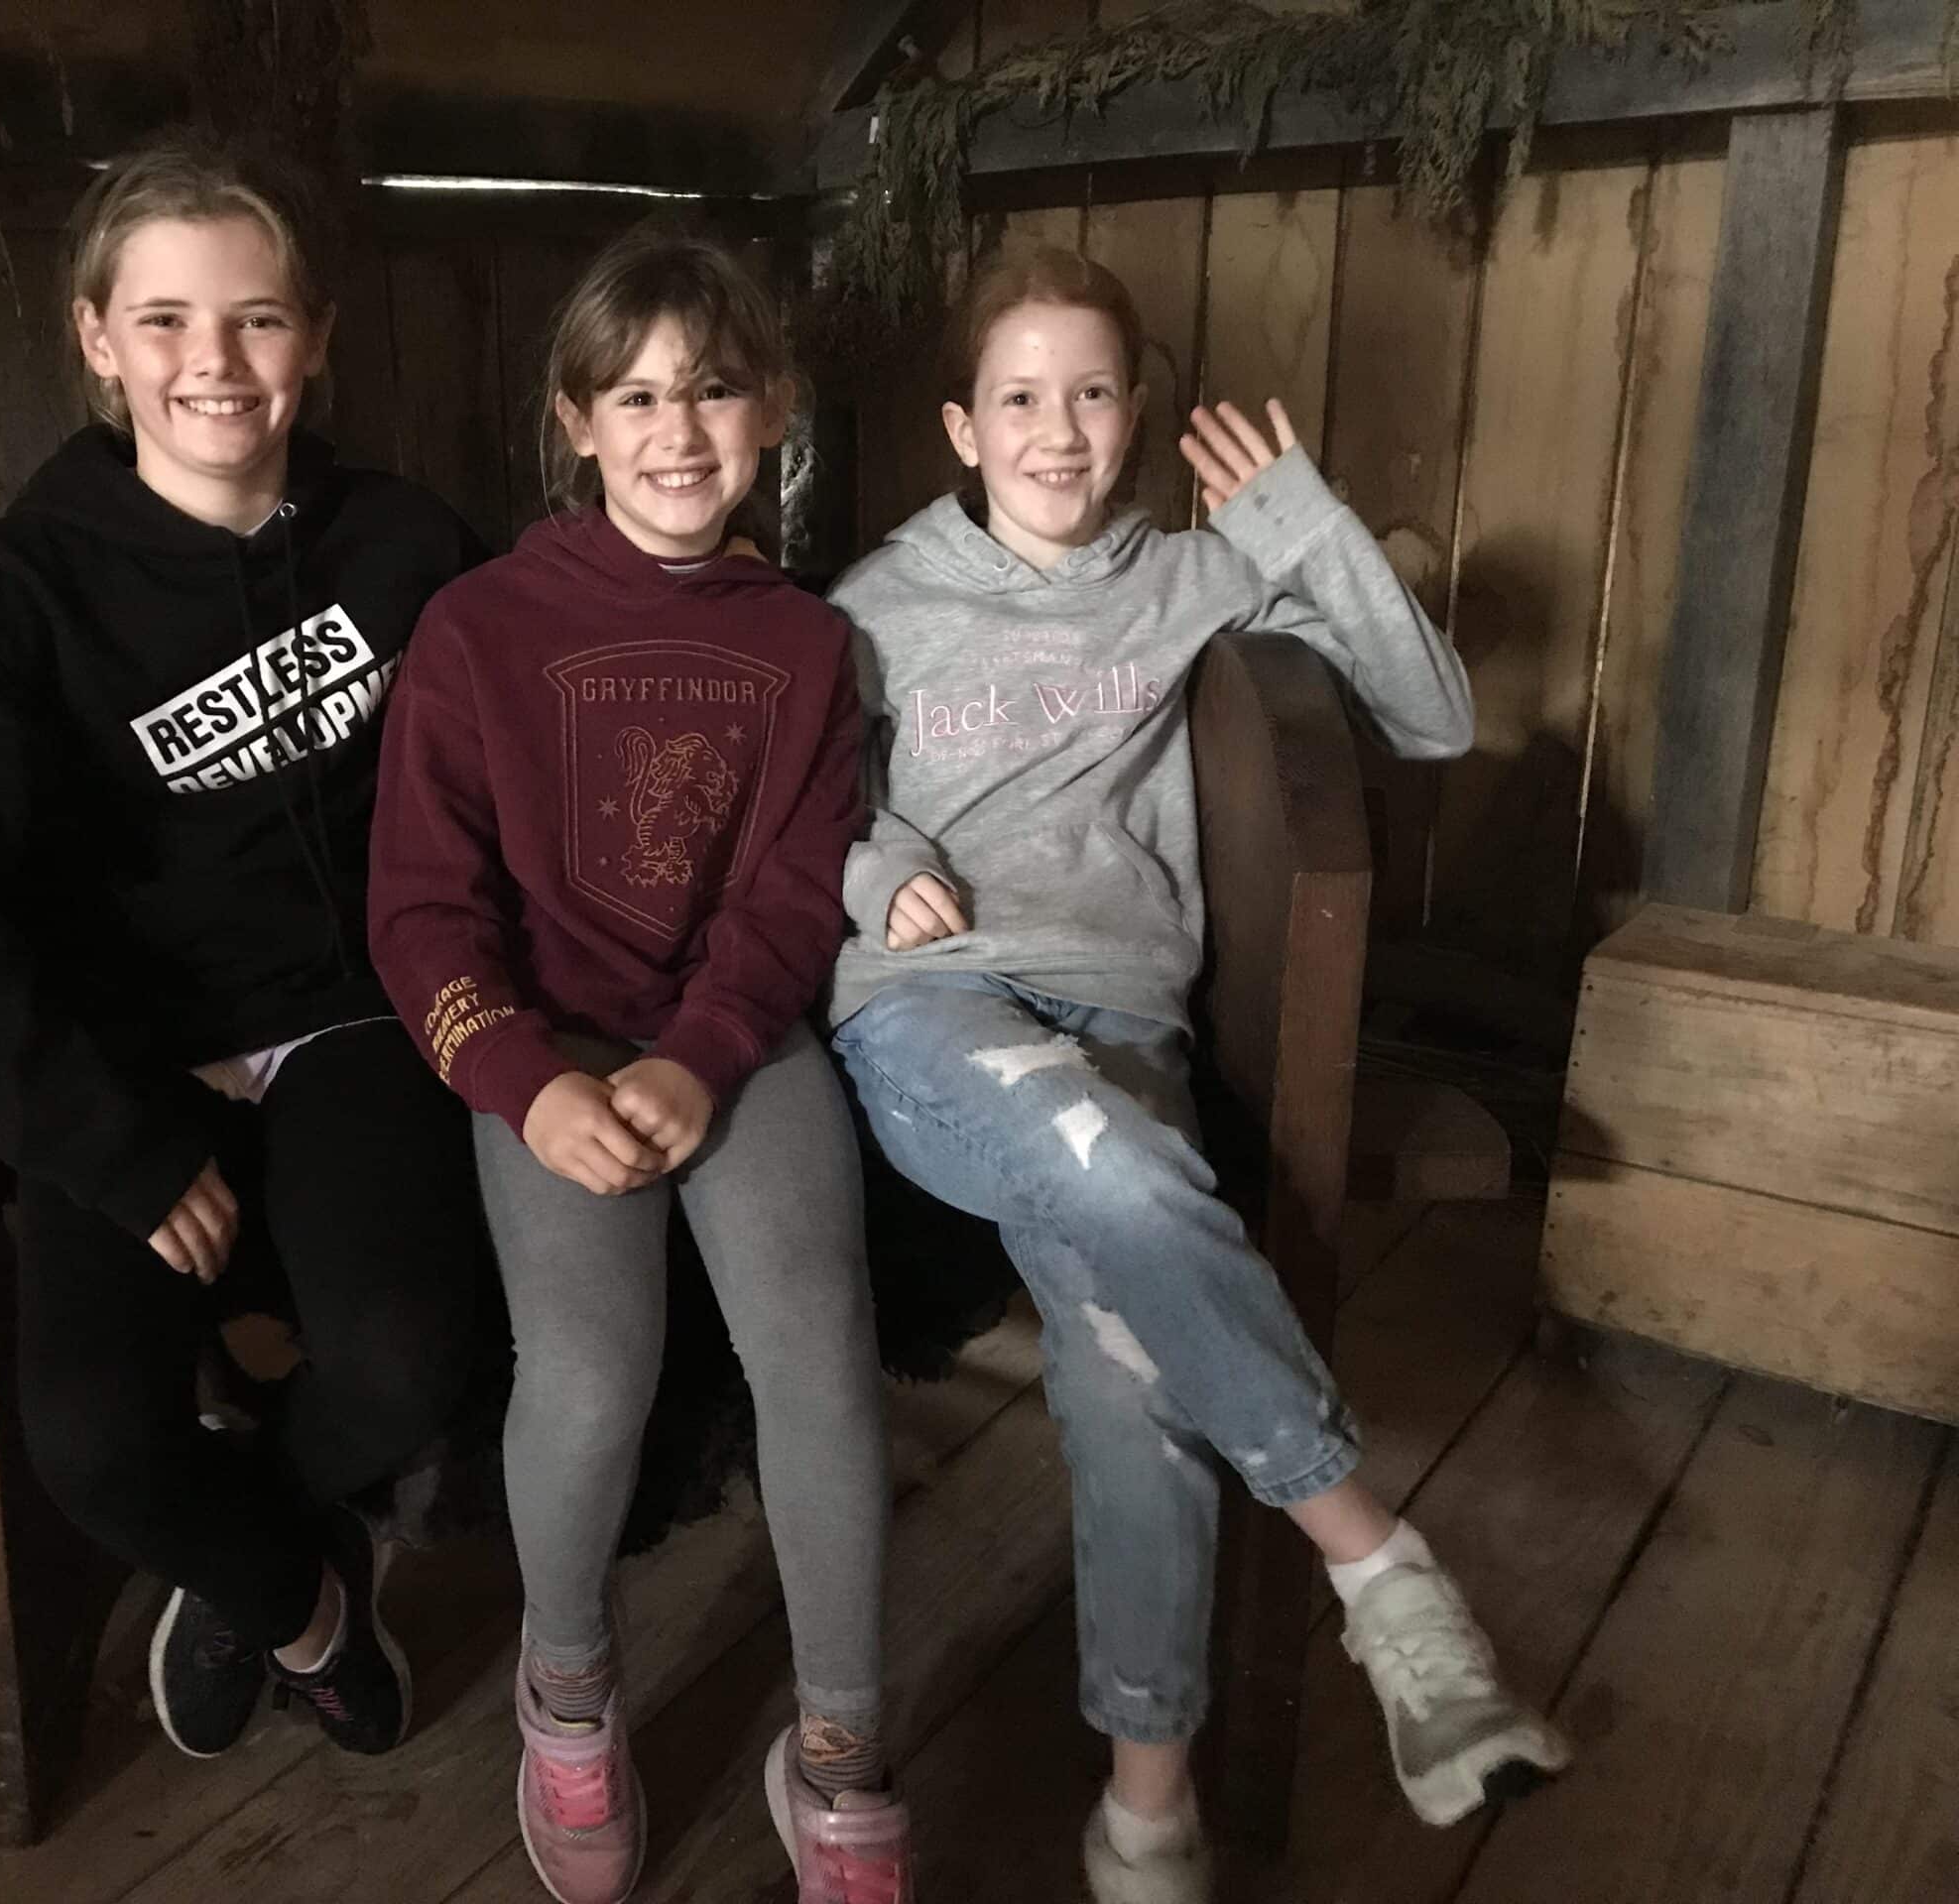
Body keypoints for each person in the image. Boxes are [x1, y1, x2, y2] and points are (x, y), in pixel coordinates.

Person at [825, 245, 1568, 1904]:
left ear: (1139, 410)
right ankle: (1378, 1562)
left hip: (1118, 1017)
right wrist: (878, 870)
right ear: (962, 426)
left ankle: (1148, 1813)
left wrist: (1300, 521)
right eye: (1021, 397)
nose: (1058, 431)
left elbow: (1434, 718)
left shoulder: (1190, 579)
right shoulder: (876, 607)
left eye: (1093, 392)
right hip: (934, 1012)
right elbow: (796, 800)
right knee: (1114, 1162)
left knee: (1134, 1366)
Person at [0, 137, 490, 1768]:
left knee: (414, 1365)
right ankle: (305, 1605)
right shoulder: (24, 596)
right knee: (95, 1444)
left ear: (316, 337)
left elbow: (557, 706)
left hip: (353, 1023)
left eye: (258, 319)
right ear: (97, 341)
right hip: (127, 1065)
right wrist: (96, 1131)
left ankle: (265, 1534)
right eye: (165, 319)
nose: (214, 362)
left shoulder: (404, 544)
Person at [368, 227, 914, 1904]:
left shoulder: (808, 647)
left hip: (733, 1040)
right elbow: (421, 912)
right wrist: (527, 1082)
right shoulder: (475, 630)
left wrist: (707, 1056)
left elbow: (793, 892)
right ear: (576, 423)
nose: (679, 431)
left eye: (716, 390)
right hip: (547, 1056)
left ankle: (842, 1755)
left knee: (818, 1355)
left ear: (775, 411)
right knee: (593, 1372)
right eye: (637, 397)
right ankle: (567, 1687)